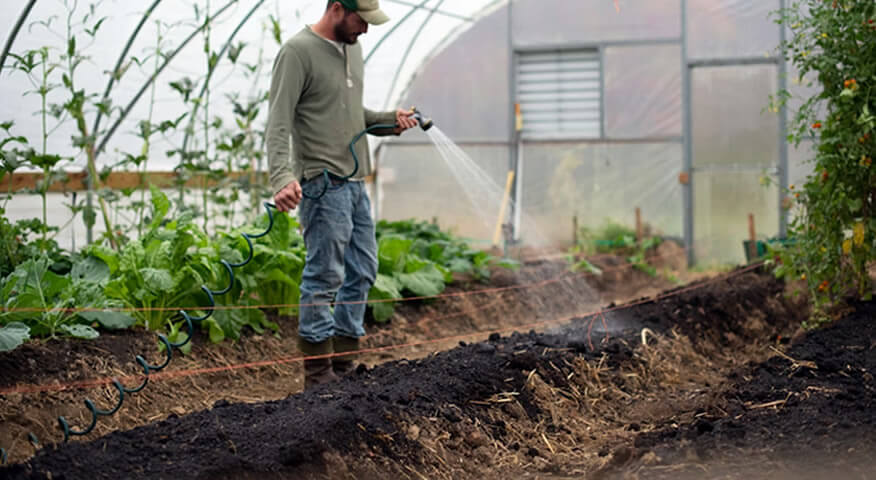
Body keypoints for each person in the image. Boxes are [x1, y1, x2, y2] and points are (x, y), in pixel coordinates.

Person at [266, 0, 419, 389]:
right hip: (321, 183)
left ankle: (345, 367)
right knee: (324, 275)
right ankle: (319, 377)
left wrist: (390, 121)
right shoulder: (297, 52)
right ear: (337, 8)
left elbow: (352, 117)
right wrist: (282, 176)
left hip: (354, 184)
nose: (366, 29)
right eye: (361, 20)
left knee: (364, 270)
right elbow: (278, 122)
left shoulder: (353, 49)